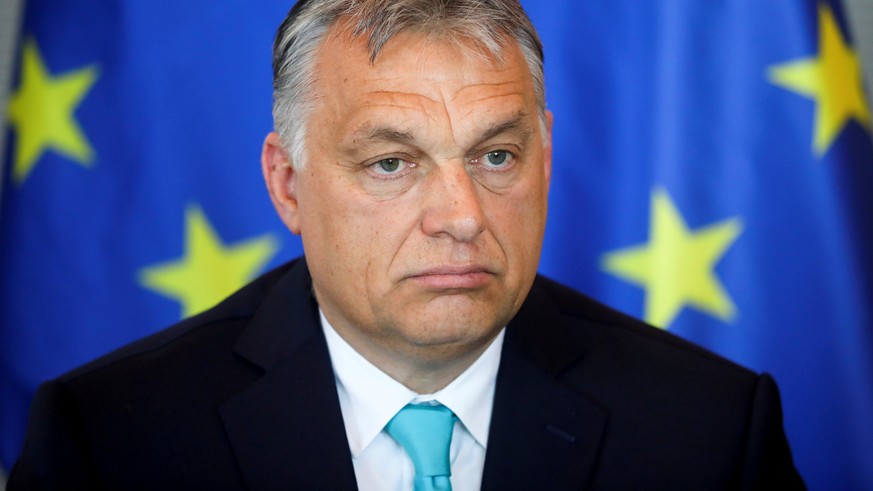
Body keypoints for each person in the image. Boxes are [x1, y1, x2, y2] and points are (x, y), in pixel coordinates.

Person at [9, 0, 805, 489]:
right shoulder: (110, 440)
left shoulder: (709, 431)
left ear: (546, 157)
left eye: (496, 155)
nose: (461, 215)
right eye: (392, 163)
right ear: (288, 184)